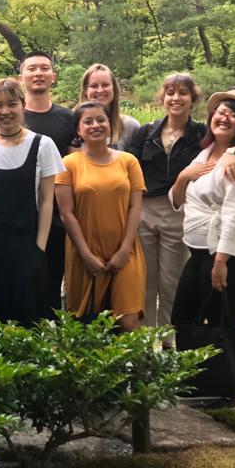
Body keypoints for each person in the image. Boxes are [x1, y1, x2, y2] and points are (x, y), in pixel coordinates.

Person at [126, 74, 235, 333]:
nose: (176, 98)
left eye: (183, 93)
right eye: (170, 92)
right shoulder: (150, 133)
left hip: (186, 223)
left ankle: (171, 343)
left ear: (193, 99)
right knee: (144, 280)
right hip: (151, 212)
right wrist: (182, 178)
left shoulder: (203, 133)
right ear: (162, 97)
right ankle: (145, 340)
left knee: (173, 283)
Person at [0, 78, 64, 325]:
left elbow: (47, 201)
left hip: (26, 248)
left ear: (23, 105)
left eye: (11, 104)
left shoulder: (43, 145)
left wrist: (39, 250)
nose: (5, 111)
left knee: (27, 321)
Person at [170, 90, 235, 333]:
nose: (224, 117)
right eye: (220, 112)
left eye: (233, 115)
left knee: (221, 327)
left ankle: (224, 371)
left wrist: (221, 262)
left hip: (230, 257)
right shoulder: (206, 152)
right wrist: (182, 178)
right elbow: (177, 200)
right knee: (183, 318)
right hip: (202, 253)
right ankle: (195, 371)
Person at [55, 101, 146, 330]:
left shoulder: (128, 161)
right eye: (88, 121)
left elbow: (135, 208)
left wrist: (124, 251)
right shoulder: (68, 164)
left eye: (101, 120)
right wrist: (86, 255)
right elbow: (67, 214)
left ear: (109, 123)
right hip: (83, 252)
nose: (95, 125)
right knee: (86, 324)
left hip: (126, 251)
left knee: (128, 320)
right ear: (78, 129)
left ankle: (136, 367)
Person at [20, 51, 76, 316]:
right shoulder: (10, 117)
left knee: (52, 286)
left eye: (44, 68)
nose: (38, 73)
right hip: (19, 216)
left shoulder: (68, 118)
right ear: (22, 77)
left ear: (53, 76)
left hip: (57, 216)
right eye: (31, 69)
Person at [79, 63, 139, 151]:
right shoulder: (70, 125)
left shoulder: (130, 127)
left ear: (114, 88)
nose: (100, 90)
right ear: (85, 90)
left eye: (105, 85)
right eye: (94, 86)